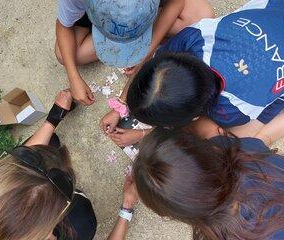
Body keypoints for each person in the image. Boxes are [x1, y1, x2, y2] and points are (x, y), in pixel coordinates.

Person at [100, 0, 284, 147]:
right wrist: (120, 104)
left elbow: (199, 128)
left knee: (239, 137)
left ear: (195, 116)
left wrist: (143, 135)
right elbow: (154, 72)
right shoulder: (197, 37)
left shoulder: (232, 111)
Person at [0, 90, 97, 240]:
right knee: (82, 220)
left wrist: (54, 117)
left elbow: (12, 166)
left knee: (49, 144)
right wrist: (124, 211)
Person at [131, 118, 284, 240]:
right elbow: (206, 127)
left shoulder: (222, 232)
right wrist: (160, 136)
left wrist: (142, 133)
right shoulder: (243, 154)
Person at [55, 0, 213, 105]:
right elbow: (63, 26)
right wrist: (73, 77)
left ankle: (140, 27)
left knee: (202, 17)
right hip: (92, 14)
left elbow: (177, 2)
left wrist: (147, 49)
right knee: (63, 54)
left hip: (150, 9)